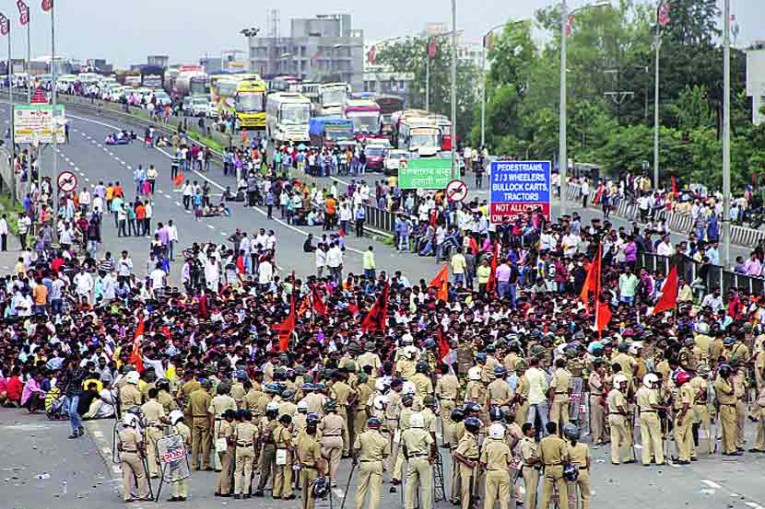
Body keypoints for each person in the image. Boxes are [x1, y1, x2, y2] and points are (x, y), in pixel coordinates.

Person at [353, 416, 390, 509]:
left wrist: (354, 460)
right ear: (378, 426)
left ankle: (359, 507)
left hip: (364, 462)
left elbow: (356, 449)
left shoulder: (361, 436)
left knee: (361, 488)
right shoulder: (383, 439)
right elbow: (386, 454)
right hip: (377, 463)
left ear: (368, 426)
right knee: (375, 491)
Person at [400, 412, 434, 509]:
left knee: (410, 484)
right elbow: (432, 444)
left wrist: (407, 457)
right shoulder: (424, 433)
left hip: (411, 458)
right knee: (426, 486)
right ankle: (427, 506)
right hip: (423, 458)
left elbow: (404, 447)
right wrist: (431, 456)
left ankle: (408, 505)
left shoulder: (406, 433)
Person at [118, 413, 151, 502]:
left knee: (126, 476)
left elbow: (119, 446)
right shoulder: (134, 432)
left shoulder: (121, 432)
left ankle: (127, 496)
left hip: (124, 454)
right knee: (140, 474)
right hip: (133, 454)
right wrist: (143, 454)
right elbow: (139, 444)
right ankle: (142, 495)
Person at [480, 423, 513, 509]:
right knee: (504, 498)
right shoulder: (505, 446)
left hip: (491, 473)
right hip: (503, 473)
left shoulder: (488, 446)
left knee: (489, 498)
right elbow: (510, 461)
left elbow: (483, 461)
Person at [635, 373, 665, 466]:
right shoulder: (651, 392)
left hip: (642, 413)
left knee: (645, 438)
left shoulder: (640, 390)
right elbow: (653, 404)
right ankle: (659, 459)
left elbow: (636, 401)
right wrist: (663, 408)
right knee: (656, 437)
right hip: (651, 413)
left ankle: (646, 459)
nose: (655, 385)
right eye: (654, 383)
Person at [538, 421, 569, 509]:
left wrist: (544, 464)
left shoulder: (543, 441)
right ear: (556, 430)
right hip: (559, 467)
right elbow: (565, 457)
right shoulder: (560, 442)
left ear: (547, 430)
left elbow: (539, 456)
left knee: (546, 494)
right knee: (562, 493)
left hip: (548, 467)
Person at [297, 413, 325, 509]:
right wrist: (322, 473)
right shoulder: (315, 443)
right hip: (312, 469)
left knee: (303, 493)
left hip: (302, 467)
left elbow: (296, 447)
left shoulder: (302, 437)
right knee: (311, 493)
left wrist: (299, 460)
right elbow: (318, 460)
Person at [232, 409, 258, 499]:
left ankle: (236, 491)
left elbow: (235, 438)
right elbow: (256, 440)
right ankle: (246, 492)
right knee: (248, 471)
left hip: (240, 447)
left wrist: (235, 448)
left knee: (238, 471)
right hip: (250, 447)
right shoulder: (254, 427)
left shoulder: (238, 426)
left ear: (243, 418)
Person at [564, 424, 590, 509]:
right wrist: (587, 470)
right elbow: (588, 460)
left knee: (572, 497)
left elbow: (565, 459)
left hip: (572, 472)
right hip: (583, 470)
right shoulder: (584, 446)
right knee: (586, 495)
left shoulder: (566, 446)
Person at [168, 410, 191, 502]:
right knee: (183, 474)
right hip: (184, 451)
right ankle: (183, 494)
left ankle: (175, 494)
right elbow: (189, 441)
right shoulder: (187, 427)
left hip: (175, 452)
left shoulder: (175, 428)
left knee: (175, 474)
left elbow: (172, 441)